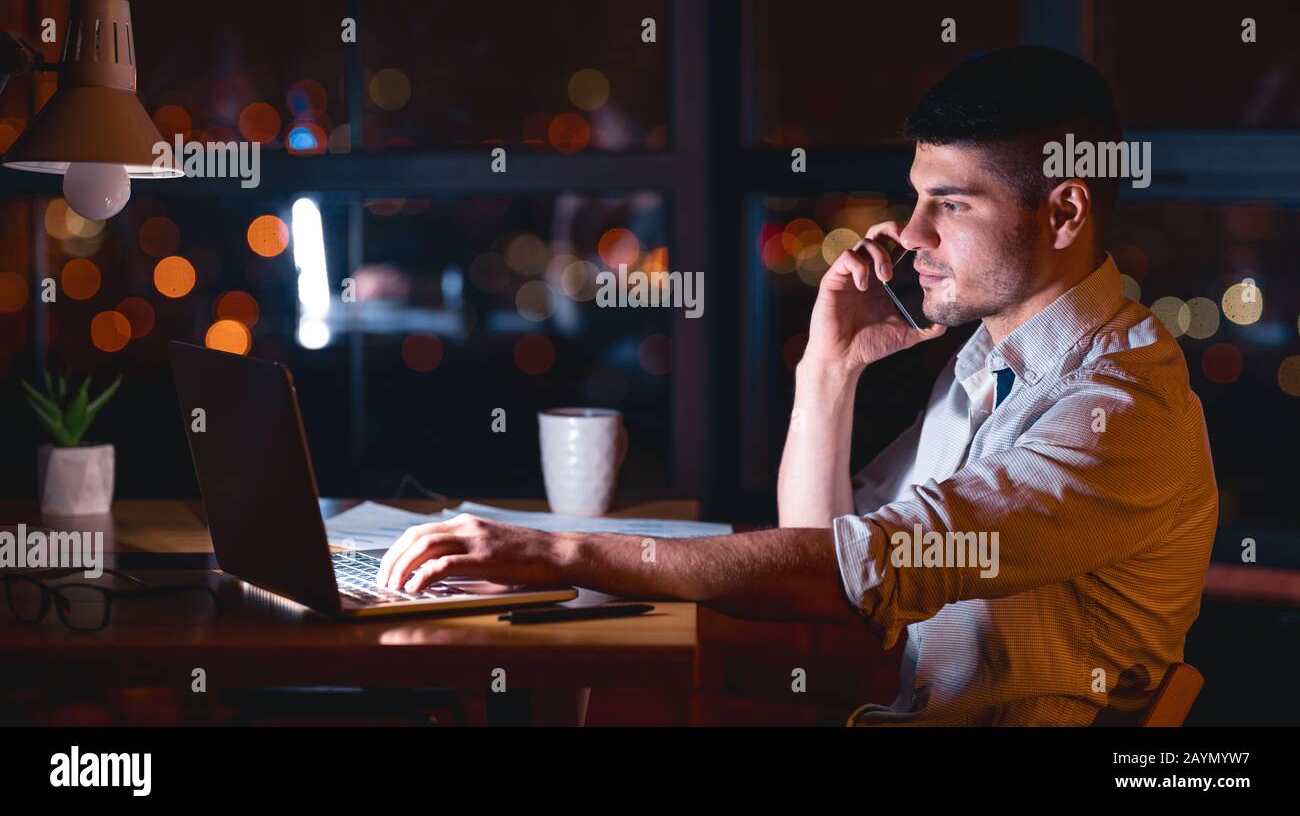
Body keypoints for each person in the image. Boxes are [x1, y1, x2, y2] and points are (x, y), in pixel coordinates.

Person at [378, 46, 1218, 726]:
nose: (913, 233)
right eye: (917, 198)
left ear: (1065, 214)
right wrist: (831, 369)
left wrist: (554, 549)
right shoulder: (992, 365)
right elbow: (829, 557)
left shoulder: (1120, 408)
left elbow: (852, 571)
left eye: (951, 206)